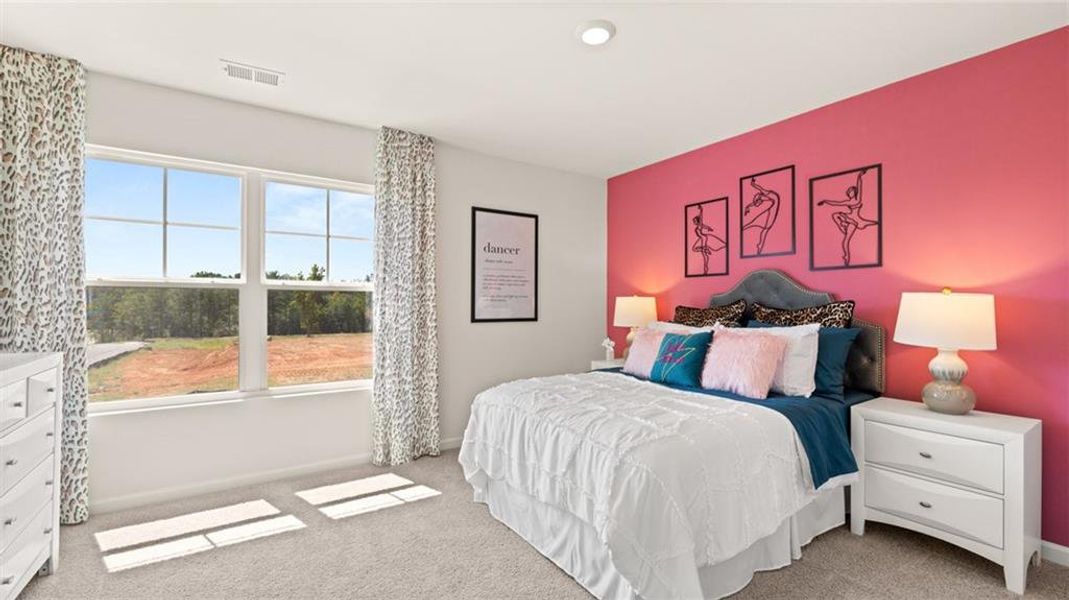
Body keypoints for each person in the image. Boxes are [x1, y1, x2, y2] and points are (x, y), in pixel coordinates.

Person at [817, 168, 878, 265]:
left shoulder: (858, 199)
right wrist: (825, 201)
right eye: (849, 191)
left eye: (852, 191)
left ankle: (846, 256)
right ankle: (844, 228)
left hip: (855, 220)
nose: (850, 192)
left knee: (846, 240)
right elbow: (836, 203)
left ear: (855, 192)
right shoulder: (848, 202)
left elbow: (859, 185)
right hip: (850, 218)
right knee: (836, 215)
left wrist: (859, 176)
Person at [742, 177, 780, 254]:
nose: (757, 204)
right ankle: (743, 229)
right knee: (757, 222)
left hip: (772, 210)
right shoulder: (766, 197)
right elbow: (755, 203)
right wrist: (748, 207)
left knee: (765, 229)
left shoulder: (766, 193)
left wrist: (753, 183)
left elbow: (759, 188)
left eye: (757, 201)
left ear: (759, 196)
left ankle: (760, 246)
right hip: (771, 209)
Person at [691, 207, 726, 274]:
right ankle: (706, 250)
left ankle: (705, 270)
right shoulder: (700, 226)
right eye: (693, 221)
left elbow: (701, 217)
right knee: (695, 249)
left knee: (704, 256)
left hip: (703, 238)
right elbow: (706, 227)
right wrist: (709, 228)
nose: (694, 222)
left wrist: (701, 210)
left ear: (698, 221)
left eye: (695, 220)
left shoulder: (700, 225)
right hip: (700, 239)